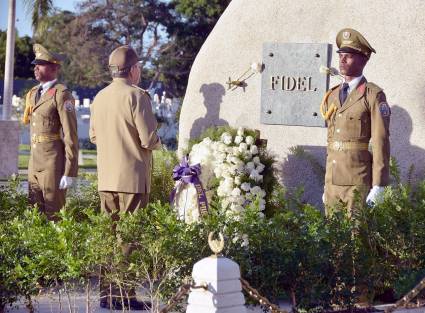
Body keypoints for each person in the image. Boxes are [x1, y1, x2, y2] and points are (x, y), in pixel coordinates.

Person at [89, 45, 161, 310]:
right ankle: (125, 296)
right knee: (128, 239)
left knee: (109, 238)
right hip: (132, 179)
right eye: (138, 67)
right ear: (132, 70)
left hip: (106, 178)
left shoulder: (99, 97)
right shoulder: (137, 96)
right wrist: (159, 143)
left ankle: (107, 295)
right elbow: (149, 139)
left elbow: (94, 136)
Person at [321, 28, 391, 214]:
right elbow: (331, 141)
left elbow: (380, 141)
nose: (342, 60)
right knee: (332, 239)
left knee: (356, 237)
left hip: (357, 180)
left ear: (364, 59)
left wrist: (379, 184)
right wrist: (327, 182)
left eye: (349, 56)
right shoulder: (333, 95)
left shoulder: (372, 95)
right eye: (341, 55)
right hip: (332, 182)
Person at [22, 44, 78, 220]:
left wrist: (69, 172)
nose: (36, 68)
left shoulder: (61, 94)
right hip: (34, 162)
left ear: (54, 68)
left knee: (54, 215)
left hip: (53, 164)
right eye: (35, 64)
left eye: (41, 64)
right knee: (34, 214)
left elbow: (71, 135)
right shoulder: (32, 94)